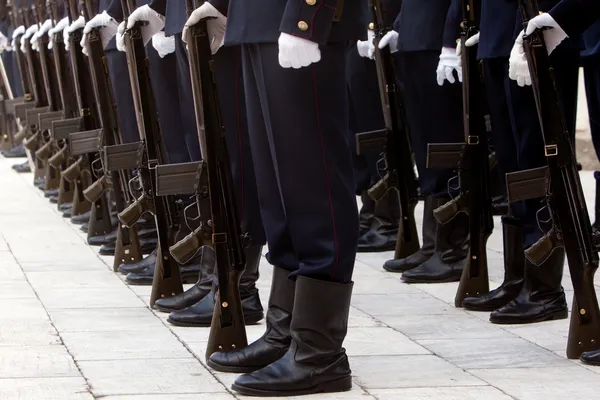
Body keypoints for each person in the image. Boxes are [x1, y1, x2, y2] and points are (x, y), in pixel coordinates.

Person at [185, 0, 366, 396]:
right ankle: (285, 332)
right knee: (277, 185)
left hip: (295, 17)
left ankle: (320, 351)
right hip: (259, 18)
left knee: (311, 177)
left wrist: (307, 15)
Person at [374, 0, 469, 283]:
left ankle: (453, 250)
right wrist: (402, 27)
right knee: (425, 146)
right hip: (416, 39)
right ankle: (433, 244)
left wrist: (451, 39)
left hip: (439, 40)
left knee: (444, 146)